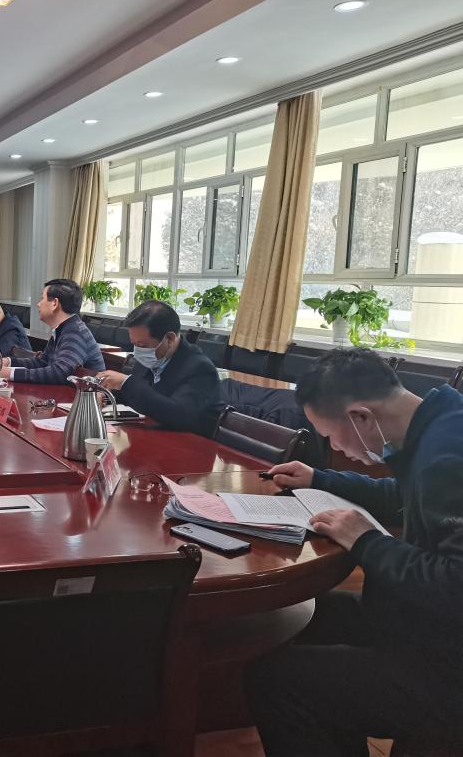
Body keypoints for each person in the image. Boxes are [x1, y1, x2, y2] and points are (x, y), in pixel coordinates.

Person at [244, 348, 463, 755]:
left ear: (361, 417)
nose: (336, 447)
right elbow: (406, 496)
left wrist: (365, 541)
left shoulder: (447, 457)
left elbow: (455, 584)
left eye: (330, 436)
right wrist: (320, 479)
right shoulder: (441, 420)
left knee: (278, 682)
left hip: (447, 666)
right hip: (428, 624)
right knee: (309, 616)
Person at [95, 301, 223, 436]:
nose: (138, 351)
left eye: (142, 345)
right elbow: (135, 395)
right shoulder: (150, 357)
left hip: (187, 443)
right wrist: (106, 395)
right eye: (134, 344)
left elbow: (178, 416)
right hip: (150, 435)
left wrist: (125, 383)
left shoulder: (199, 368)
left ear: (170, 338)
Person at [0, 279, 103, 384]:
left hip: (87, 394)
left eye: (42, 298)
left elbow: (61, 372)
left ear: (55, 303)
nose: (38, 304)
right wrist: (7, 362)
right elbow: (42, 362)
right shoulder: (64, 328)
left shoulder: (75, 332)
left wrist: (10, 374)